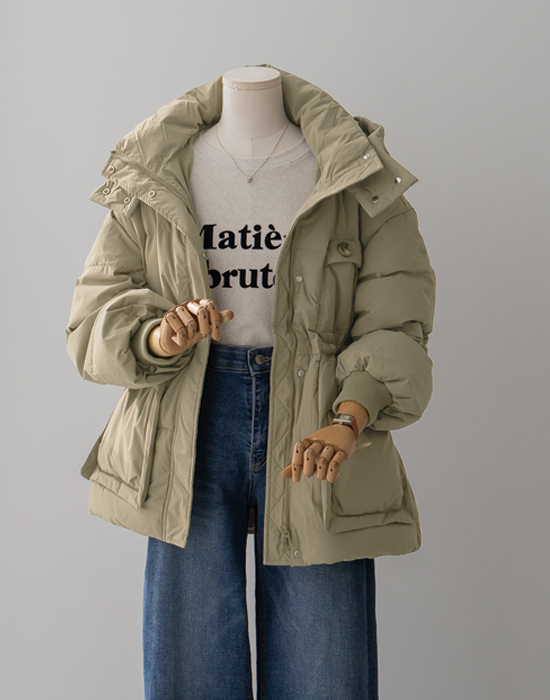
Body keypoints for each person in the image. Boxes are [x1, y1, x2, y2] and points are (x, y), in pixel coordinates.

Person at [66, 64, 436, 700]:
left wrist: (350, 416)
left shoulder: (355, 173)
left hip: (319, 418)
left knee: (325, 666)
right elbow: (92, 319)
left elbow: (397, 321)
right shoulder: (155, 171)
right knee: (190, 664)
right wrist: (158, 337)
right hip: (187, 420)